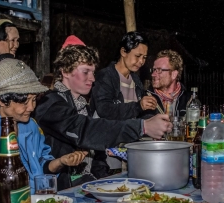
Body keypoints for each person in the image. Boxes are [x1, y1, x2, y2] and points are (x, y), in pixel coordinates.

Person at [33, 40, 172, 190]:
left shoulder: (83, 103)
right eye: (86, 72)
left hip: (86, 183)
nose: (93, 78)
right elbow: (85, 130)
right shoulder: (50, 104)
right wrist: (142, 127)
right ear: (65, 72)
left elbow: (97, 150)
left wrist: (101, 179)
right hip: (60, 189)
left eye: (93, 72)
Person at [0, 58, 87, 193]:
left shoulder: (31, 125)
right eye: (25, 101)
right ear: (1, 100)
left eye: (34, 100)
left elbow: (42, 162)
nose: (31, 107)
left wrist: (61, 162)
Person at [91, 31, 157, 120]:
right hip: (107, 132)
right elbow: (104, 110)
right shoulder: (105, 76)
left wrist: (153, 118)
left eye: (144, 57)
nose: (141, 61)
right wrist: (138, 106)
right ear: (123, 52)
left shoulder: (136, 80)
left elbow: (140, 114)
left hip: (128, 133)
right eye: (138, 56)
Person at [146, 49, 192, 118]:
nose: (153, 74)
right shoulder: (146, 98)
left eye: (159, 70)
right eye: (154, 70)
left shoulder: (190, 99)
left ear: (174, 74)